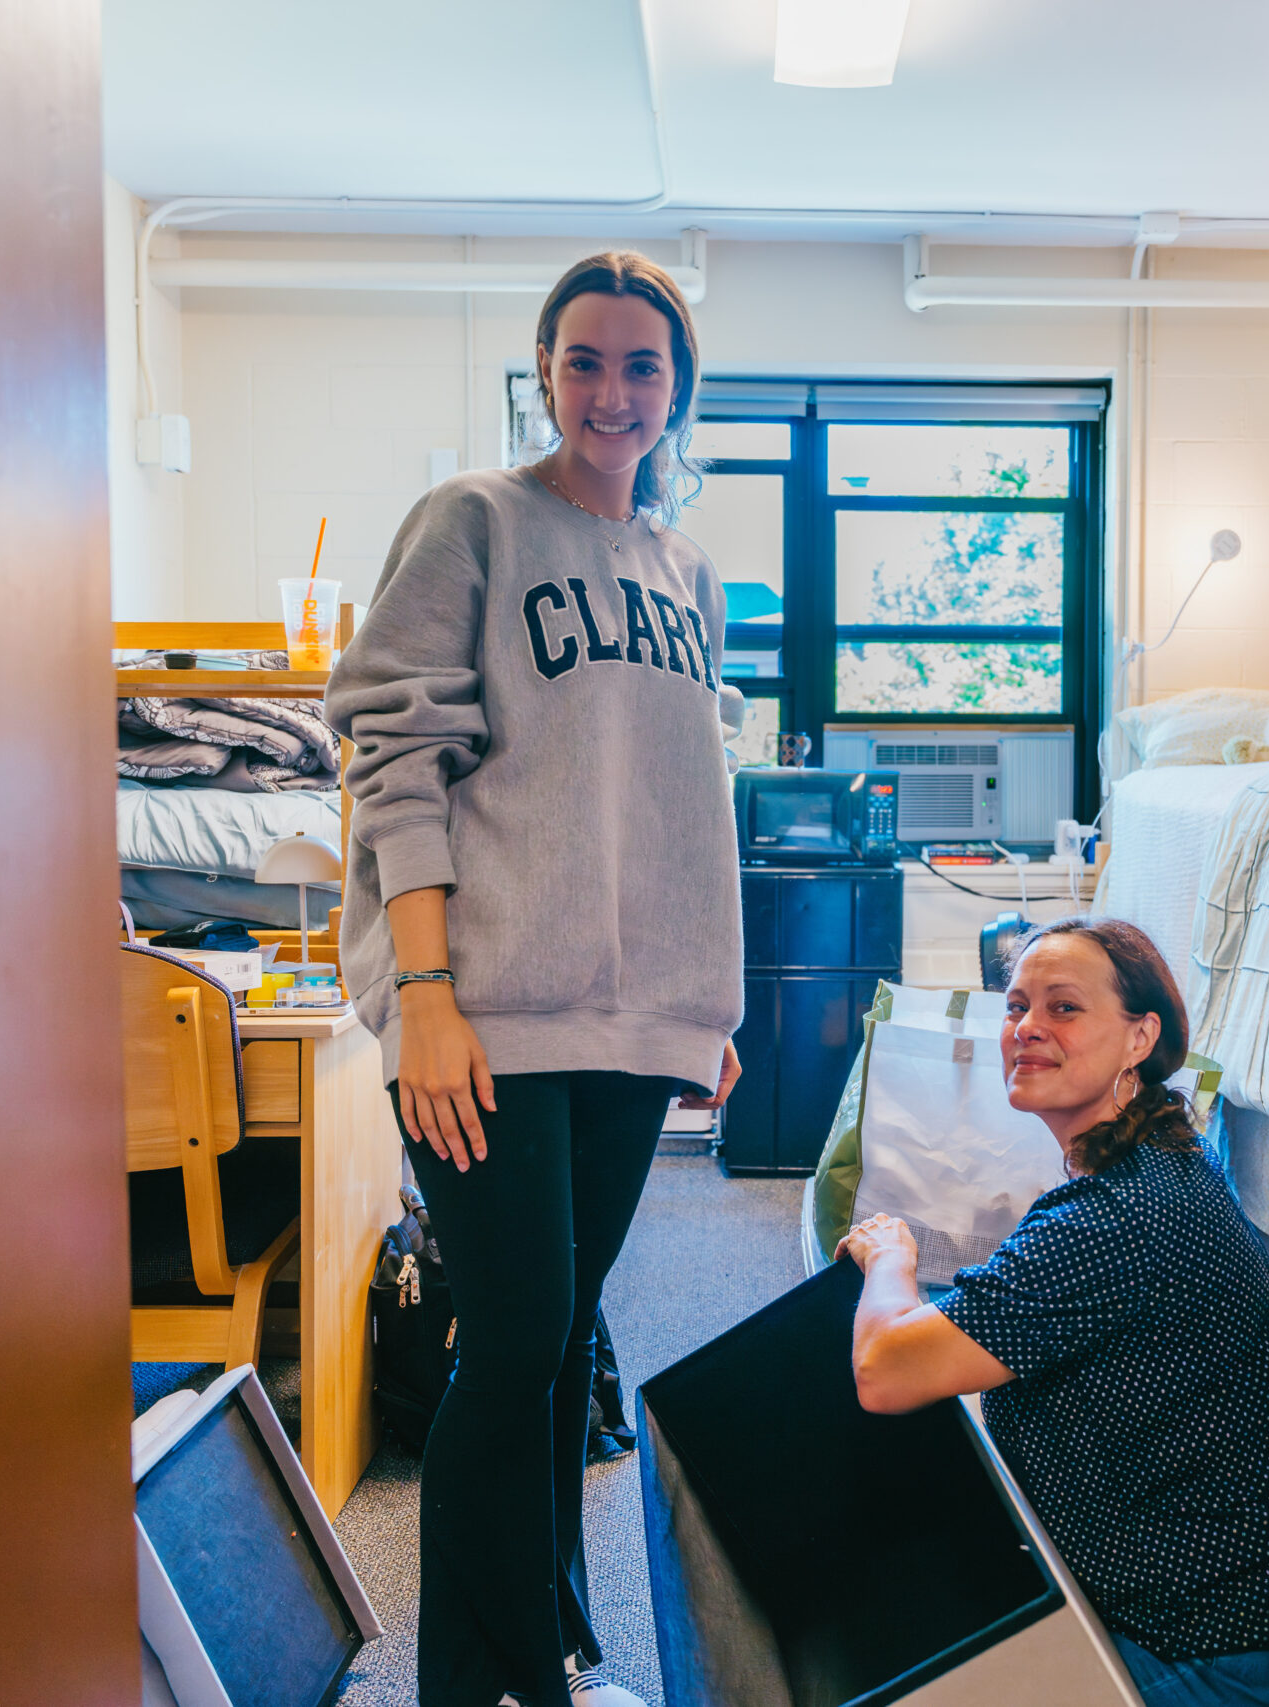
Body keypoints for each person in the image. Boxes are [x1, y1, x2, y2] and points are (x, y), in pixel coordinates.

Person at [327, 251, 742, 1707]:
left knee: (565, 1336)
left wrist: (701, 1000)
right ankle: (480, 1683)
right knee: (509, 1336)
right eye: (584, 359)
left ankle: (548, 1650)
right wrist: (423, 990)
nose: (612, 391)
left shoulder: (692, 572)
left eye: (641, 364)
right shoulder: (475, 523)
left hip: (633, 1017)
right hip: (485, 1009)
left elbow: (678, 795)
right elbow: (394, 753)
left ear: (678, 384)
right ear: (544, 371)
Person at [836, 919, 1269, 1707]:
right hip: (1215, 1613)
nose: (1026, 1027)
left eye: (1063, 1008)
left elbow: (884, 1367)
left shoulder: (1118, 1215)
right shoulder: (1161, 1167)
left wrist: (893, 1253)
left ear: (1140, 1036)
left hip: (1215, 1660)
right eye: (1016, 1006)